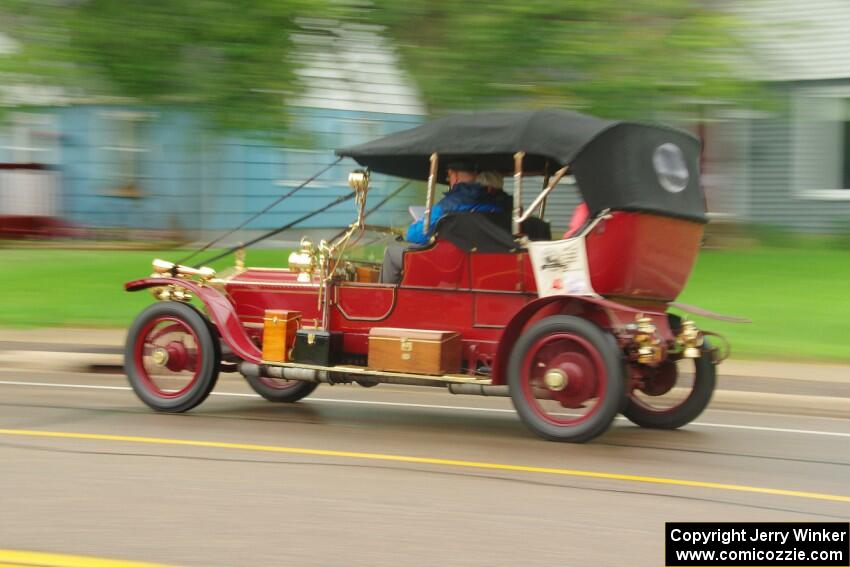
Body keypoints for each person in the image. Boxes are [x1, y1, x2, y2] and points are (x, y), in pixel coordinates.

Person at [380, 160, 504, 283]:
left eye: (449, 176)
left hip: (444, 262)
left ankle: (385, 300)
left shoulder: (450, 204)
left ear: (454, 176)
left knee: (391, 253)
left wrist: (415, 226)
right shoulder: (496, 205)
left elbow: (415, 235)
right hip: (473, 263)